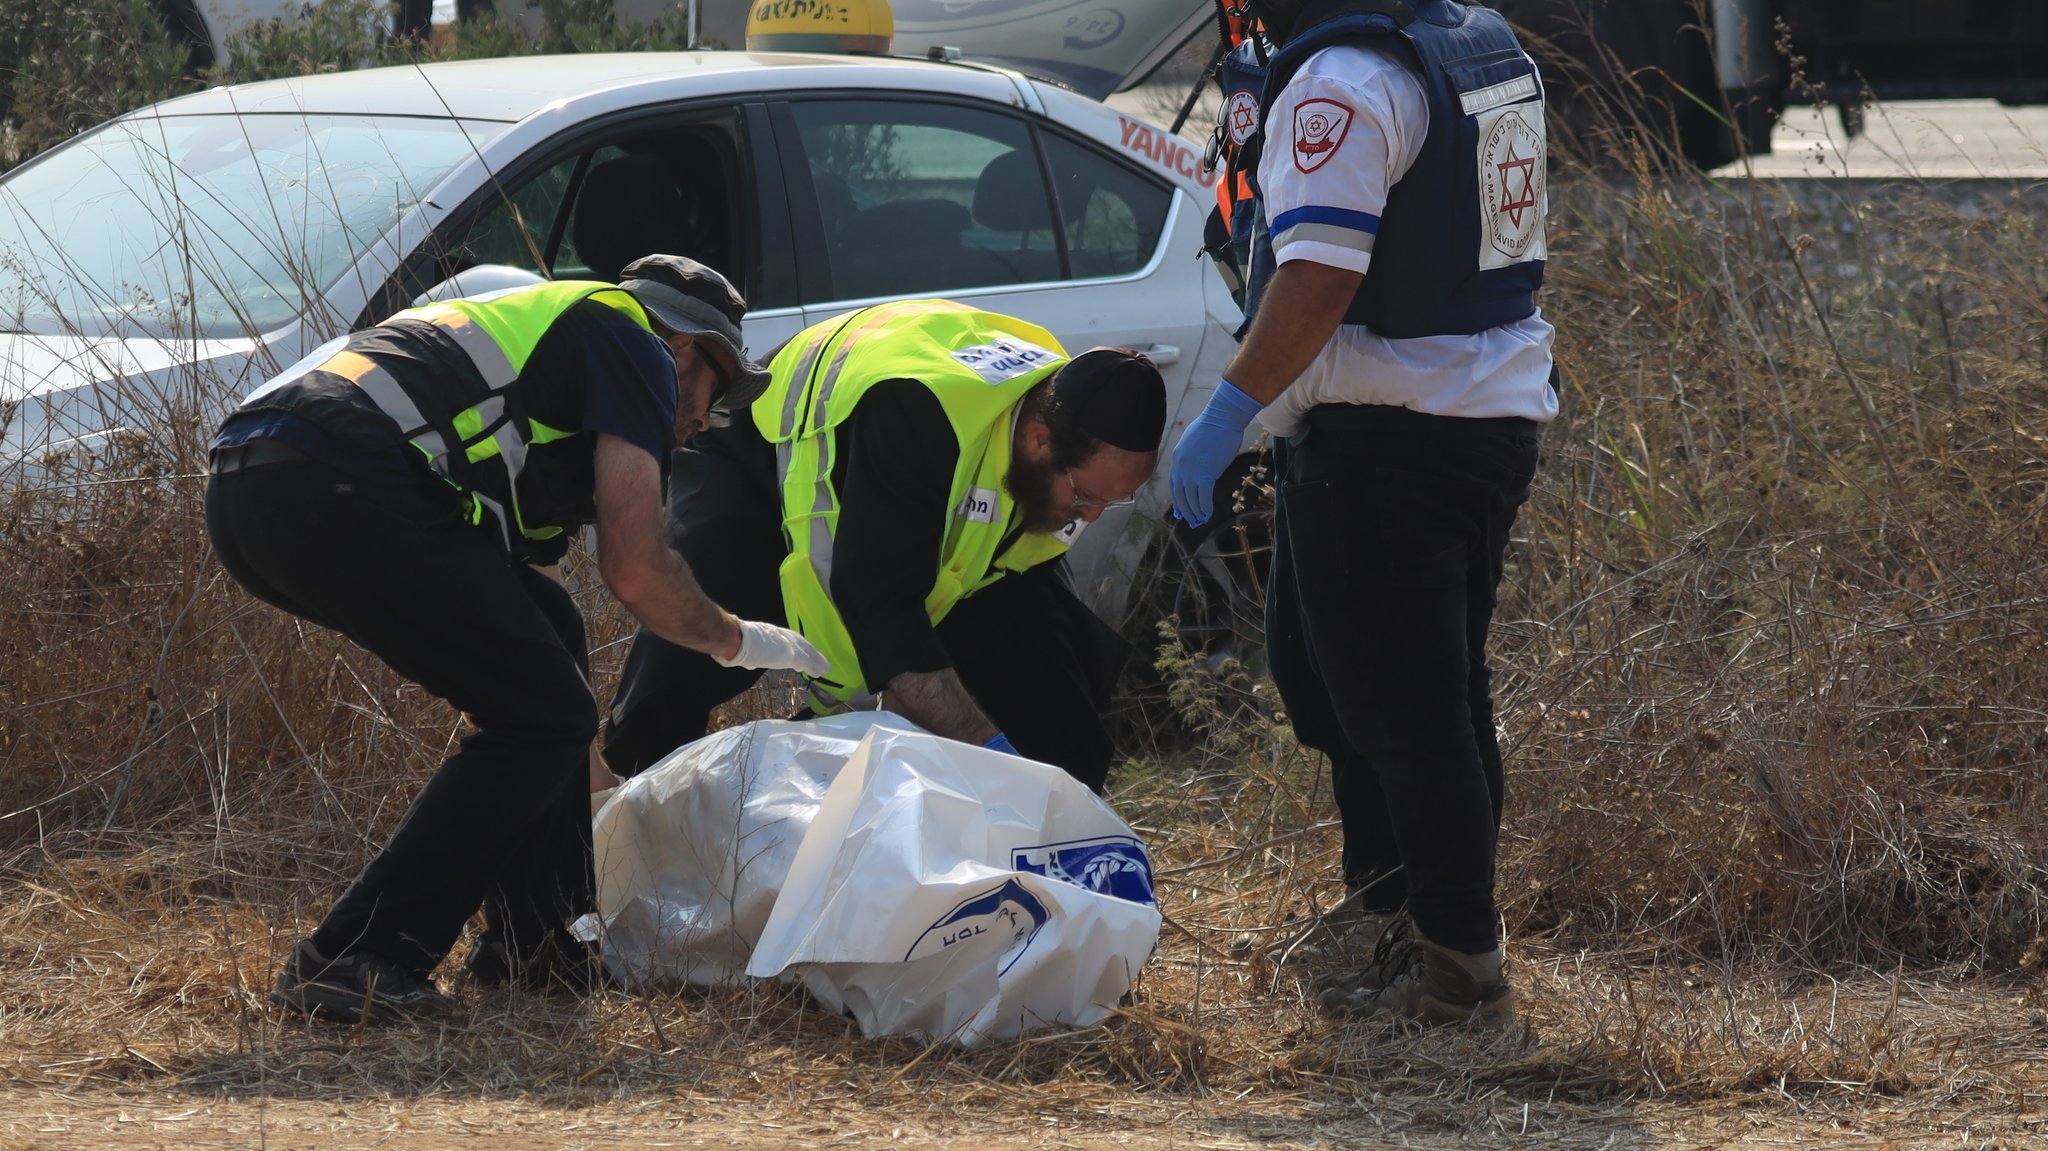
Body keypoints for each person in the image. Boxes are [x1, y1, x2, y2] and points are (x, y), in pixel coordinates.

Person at [205, 255, 827, 1024]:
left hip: (254, 479)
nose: (704, 420)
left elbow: (506, 574)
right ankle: (357, 954)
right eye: (712, 391)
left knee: (552, 638)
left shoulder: (550, 335)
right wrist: (734, 637)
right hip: (333, 474)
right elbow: (636, 568)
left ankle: (541, 946)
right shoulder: (632, 344)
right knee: (546, 712)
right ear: (683, 348)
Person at [1170, 0, 1555, 1029]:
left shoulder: (1342, 81)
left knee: (1410, 711)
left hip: (1393, 436)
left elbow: (1319, 276)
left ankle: (1456, 968)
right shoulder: (1475, 41)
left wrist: (1226, 414)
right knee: (1335, 682)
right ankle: (1391, 911)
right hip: (1463, 416)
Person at [599, 300, 1167, 794]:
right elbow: (879, 609)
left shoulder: (1053, 430)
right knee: (691, 648)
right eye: (1087, 496)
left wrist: (1046, 776)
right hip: (762, 452)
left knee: (1057, 694)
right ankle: (621, 813)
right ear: (1039, 440)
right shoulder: (919, 419)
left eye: (1110, 504)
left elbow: (1010, 613)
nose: (1090, 516)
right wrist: (991, 749)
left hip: (927, 448)